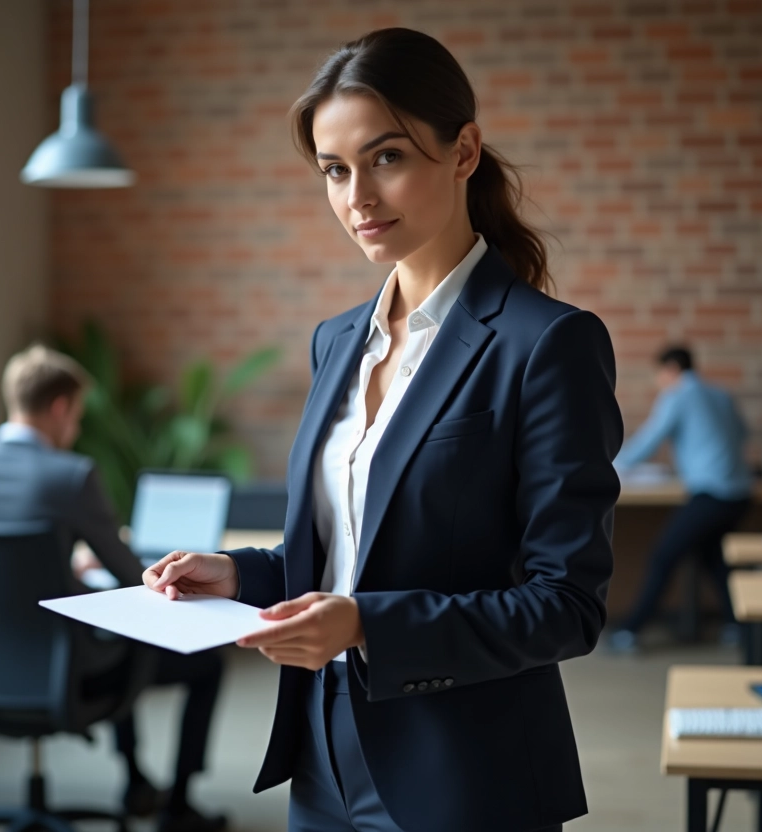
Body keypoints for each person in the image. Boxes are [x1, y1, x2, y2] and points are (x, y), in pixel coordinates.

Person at [143, 28, 622, 832]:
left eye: (387, 158)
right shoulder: (338, 340)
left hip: (464, 771)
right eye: (335, 169)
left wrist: (366, 625)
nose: (356, 196)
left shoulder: (547, 343)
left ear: (464, 150)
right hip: (322, 754)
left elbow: (566, 605)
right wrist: (241, 575)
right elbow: (347, 551)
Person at [0, 345, 228, 832]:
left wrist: (65, 564)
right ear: (60, 408)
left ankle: (137, 779)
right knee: (203, 664)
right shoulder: (70, 475)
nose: (74, 429)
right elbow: (130, 575)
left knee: (105, 630)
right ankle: (176, 806)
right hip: (68, 667)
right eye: (75, 416)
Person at [608, 345, 752, 652]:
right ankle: (737, 626)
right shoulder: (721, 394)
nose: (659, 382)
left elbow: (649, 440)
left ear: (671, 369)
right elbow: (742, 434)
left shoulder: (679, 395)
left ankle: (629, 631)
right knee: (714, 559)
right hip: (739, 494)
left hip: (711, 494)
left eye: (659, 374)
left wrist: (611, 466)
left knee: (663, 556)